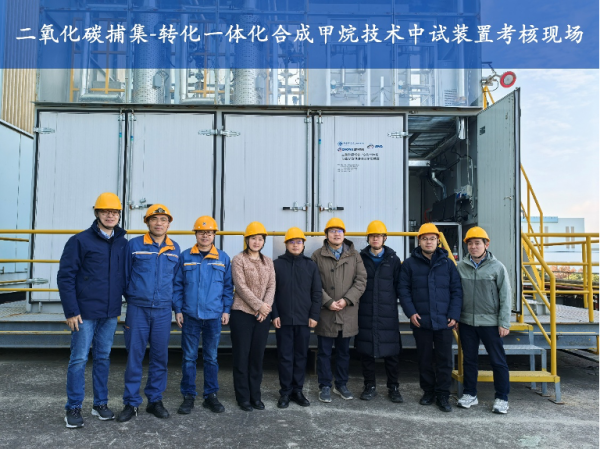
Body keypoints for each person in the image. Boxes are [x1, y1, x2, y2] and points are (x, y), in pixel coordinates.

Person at [57, 192, 128, 428]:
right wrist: (71, 311)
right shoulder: (79, 241)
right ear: (97, 213)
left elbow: (124, 277)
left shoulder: (122, 243)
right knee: (78, 359)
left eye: (114, 212)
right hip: (84, 313)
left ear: (119, 215)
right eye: (105, 211)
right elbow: (65, 277)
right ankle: (73, 407)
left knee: (103, 358)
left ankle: (100, 404)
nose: (110, 215)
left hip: (109, 313)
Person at [117, 205, 181, 422]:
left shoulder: (175, 248)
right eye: (154, 219)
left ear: (169, 224)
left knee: (160, 357)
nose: (159, 223)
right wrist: (134, 297)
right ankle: (131, 403)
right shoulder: (134, 245)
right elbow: (124, 276)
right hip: (138, 309)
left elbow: (176, 282)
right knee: (134, 357)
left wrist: (176, 308)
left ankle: (155, 400)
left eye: (163, 219)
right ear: (147, 222)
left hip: (163, 310)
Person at [399, 223, 462, 412]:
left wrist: (454, 314)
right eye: (425, 238)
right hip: (421, 320)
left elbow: (456, 290)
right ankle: (428, 391)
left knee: (445, 360)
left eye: (432, 238)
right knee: (424, 358)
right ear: (419, 241)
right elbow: (403, 290)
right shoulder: (409, 264)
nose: (428, 242)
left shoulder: (447, 263)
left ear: (438, 241)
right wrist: (411, 312)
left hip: (444, 321)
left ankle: (443, 394)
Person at [173, 216, 233, 415]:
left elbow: (227, 287)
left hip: (214, 316)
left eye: (209, 233)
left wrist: (226, 310)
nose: (205, 236)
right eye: (201, 232)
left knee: (211, 358)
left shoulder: (223, 258)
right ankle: (188, 395)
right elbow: (177, 285)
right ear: (196, 234)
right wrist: (178, 309)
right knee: (189, 357)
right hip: (190, 315)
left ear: (214, 235)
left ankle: (211, 396)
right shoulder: (185, 256)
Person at [456, 227, 512, 414]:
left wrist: (504, 322)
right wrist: (456, 317)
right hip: (466, 322)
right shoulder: (460, 267)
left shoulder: (497, 267)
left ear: (486, 245)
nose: (473, 247)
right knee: (469, 360)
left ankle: (502, 398)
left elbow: (506, 296)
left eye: (477, 243)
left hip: (490, 323)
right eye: (470, 243)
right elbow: (456, 294)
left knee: (498, 361)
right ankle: (470, 394)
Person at [311, 217, 367, 403]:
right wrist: (327, 301)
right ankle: (325, 385)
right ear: (326, 234)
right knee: (324, 352)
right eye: (332, 231)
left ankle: (341, 384)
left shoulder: (354, 255)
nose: (336, 234)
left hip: (347, 312)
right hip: (326, 312)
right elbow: (313, 283)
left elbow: (361, 280)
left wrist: (347, 300)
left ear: (344, 234)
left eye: (339, 231)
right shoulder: (317, 256)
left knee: (344, 352)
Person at [272, 227, 321, 408]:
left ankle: (297, 391)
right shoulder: (276, 265)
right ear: (286, 244)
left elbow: (317, 292)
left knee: (301, 356)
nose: (295, 245)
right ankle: (285, 392)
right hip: (283, 320)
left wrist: (314, 315)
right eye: (291, 242)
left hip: (304, 319)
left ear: (303, 245)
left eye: (298, 242)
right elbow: (271, 293)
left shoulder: (311, 265)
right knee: (285, 356)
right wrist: (275, 314)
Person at [355, 220, 404, 403]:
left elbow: (399, 286)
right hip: (365, 311)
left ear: (385, 238)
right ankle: (369, 386)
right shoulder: (360, 259)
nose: (375, 239)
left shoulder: (393, 260)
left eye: (379, 236)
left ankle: (394, 387)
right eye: (372, 236)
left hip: (387, 313)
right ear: (368, 238)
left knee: (392, 352)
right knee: (366, 351)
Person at [230, 222, 276, 411]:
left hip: (262, 316)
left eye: (260, 239)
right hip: (242, 313)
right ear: (247, 240)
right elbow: (240, 287)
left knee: (257, 356)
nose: (257, 242)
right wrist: (259, 306)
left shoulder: (268, 262)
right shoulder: (238, 259)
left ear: (264, 242)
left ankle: (255, 396)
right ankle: (243, 397)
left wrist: (265, 308)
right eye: (253, 238)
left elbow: (272, 286)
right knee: (242, 356)